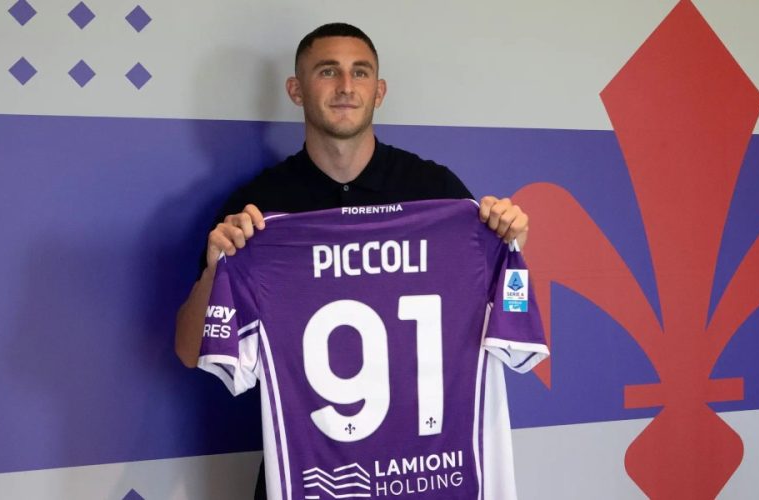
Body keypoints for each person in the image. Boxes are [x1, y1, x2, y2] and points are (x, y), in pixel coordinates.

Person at [174, 22, 530, 499]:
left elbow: (507, 322)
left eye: (360, 72)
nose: (346, 86)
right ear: (296, 90)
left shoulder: (439, 196)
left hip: (423, 478)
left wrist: (511, 248)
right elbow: (189, 350)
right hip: (310, 480)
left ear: (378, 91)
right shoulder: (258, 211)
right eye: (328, 71)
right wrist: (217, 268)